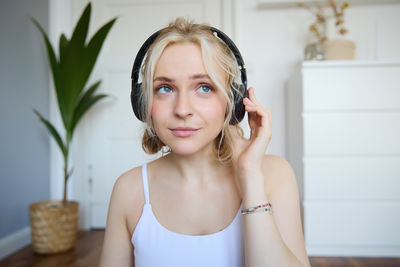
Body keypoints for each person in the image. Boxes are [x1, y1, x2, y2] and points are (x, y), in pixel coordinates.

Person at [99, 17, 310, 267]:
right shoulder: (129, 190)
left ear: (232, 100)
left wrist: (251, 177)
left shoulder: (274, 175)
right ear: (143, 103)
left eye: (204, 87)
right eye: (165, 88)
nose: (183, 110)